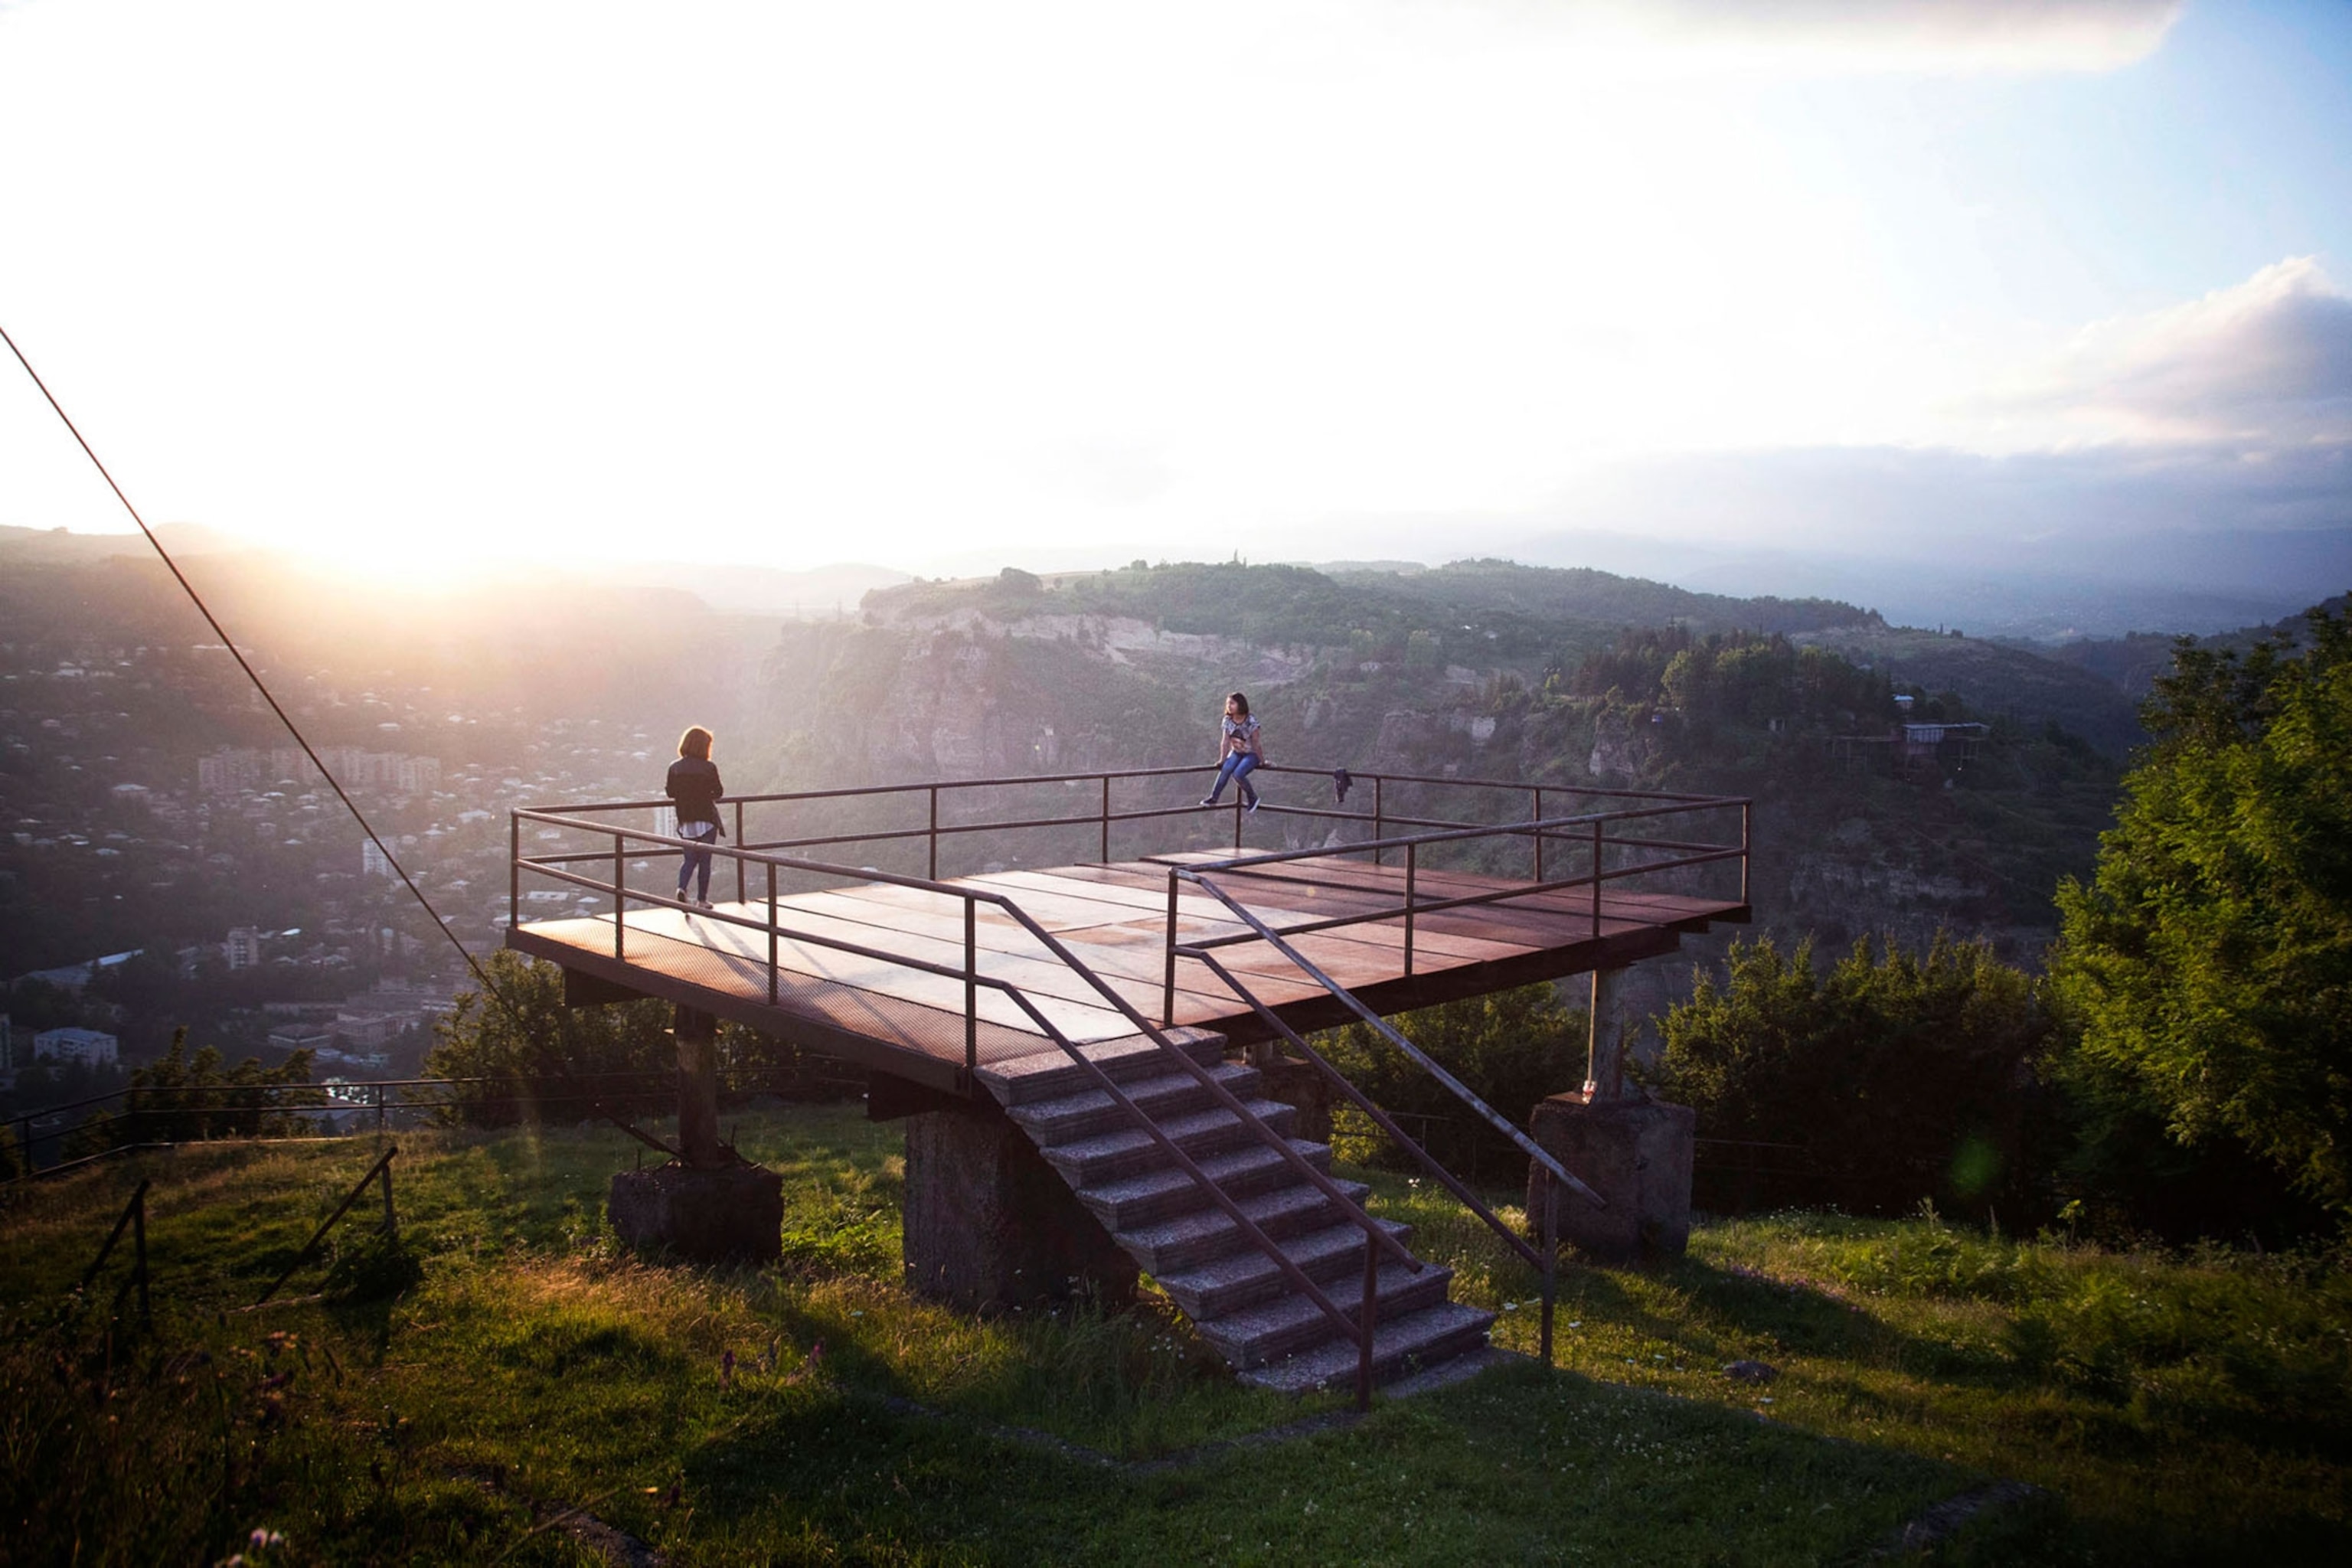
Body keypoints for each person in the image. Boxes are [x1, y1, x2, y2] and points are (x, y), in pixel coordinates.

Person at [665, 725, 724, 908]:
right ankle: (702, 900)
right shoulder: (709, 767)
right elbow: (719, 792)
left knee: (689, 860)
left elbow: (670, 792)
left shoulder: (674, 767)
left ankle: (682, 887)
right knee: (705, 861)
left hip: (686, 820)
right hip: (706, 819)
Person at [1200, 691, 1264, 812]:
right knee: (1226, 769)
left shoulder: (1251, 720)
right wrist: (1222, 760)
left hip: (1251, 754)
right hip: (1236, 752)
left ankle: (1252, 797)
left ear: (1241, 704)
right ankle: (1214, 798)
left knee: (1238, 774)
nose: (1229, 706)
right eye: (1228, 703)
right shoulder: (1227, 720)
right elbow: (1225, 742)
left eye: (1232, 703)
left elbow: (1256, 742)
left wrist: (1262, 761)